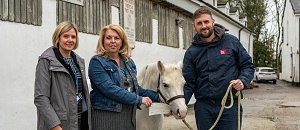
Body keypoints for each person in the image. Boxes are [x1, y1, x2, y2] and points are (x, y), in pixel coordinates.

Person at [182, 6, 254, 130]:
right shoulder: (191, 52)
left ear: (213, 22)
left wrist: (242, 80)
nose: (204, 26)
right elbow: (189, 83)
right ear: (194, 26)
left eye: (206, 22)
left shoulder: (231, 42)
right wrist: (179, 105)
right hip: (204, 108)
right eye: (199, 23)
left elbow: (247, 65)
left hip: (229, 106)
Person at [88, 24, 160, 130]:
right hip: (106, 116)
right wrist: (139, 99)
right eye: (108, 38)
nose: (113, 41)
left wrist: (161, 98)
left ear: (122, 41)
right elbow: (110, 89)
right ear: (102, 41)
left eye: (117, 38)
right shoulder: (97, 62)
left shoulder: (129, 62)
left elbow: (136, 89)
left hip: (128, 116)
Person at [34, 21, 91, 130]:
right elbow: (40, 98)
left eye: (73, 37)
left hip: (80, 120)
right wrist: (55, 125)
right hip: (60, 124)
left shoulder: (79, 61)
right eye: (66, 36)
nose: (70, 40)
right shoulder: (46, 61)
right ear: (58, 38)